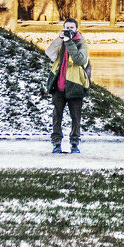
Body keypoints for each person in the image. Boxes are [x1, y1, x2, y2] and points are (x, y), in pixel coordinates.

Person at [44, 18, 90, 154]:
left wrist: (69, 42)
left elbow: (80, 59)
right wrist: (59, 38)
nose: (69, 30)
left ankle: (74, 144)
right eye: (67, 28)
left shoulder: (81, 42)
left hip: (75, 85)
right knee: (56, 116)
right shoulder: (61, 40)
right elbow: (49, 53)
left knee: (76, 117)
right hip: (58, 85)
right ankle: (56, 143)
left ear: (76, 29)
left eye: (72, 28)